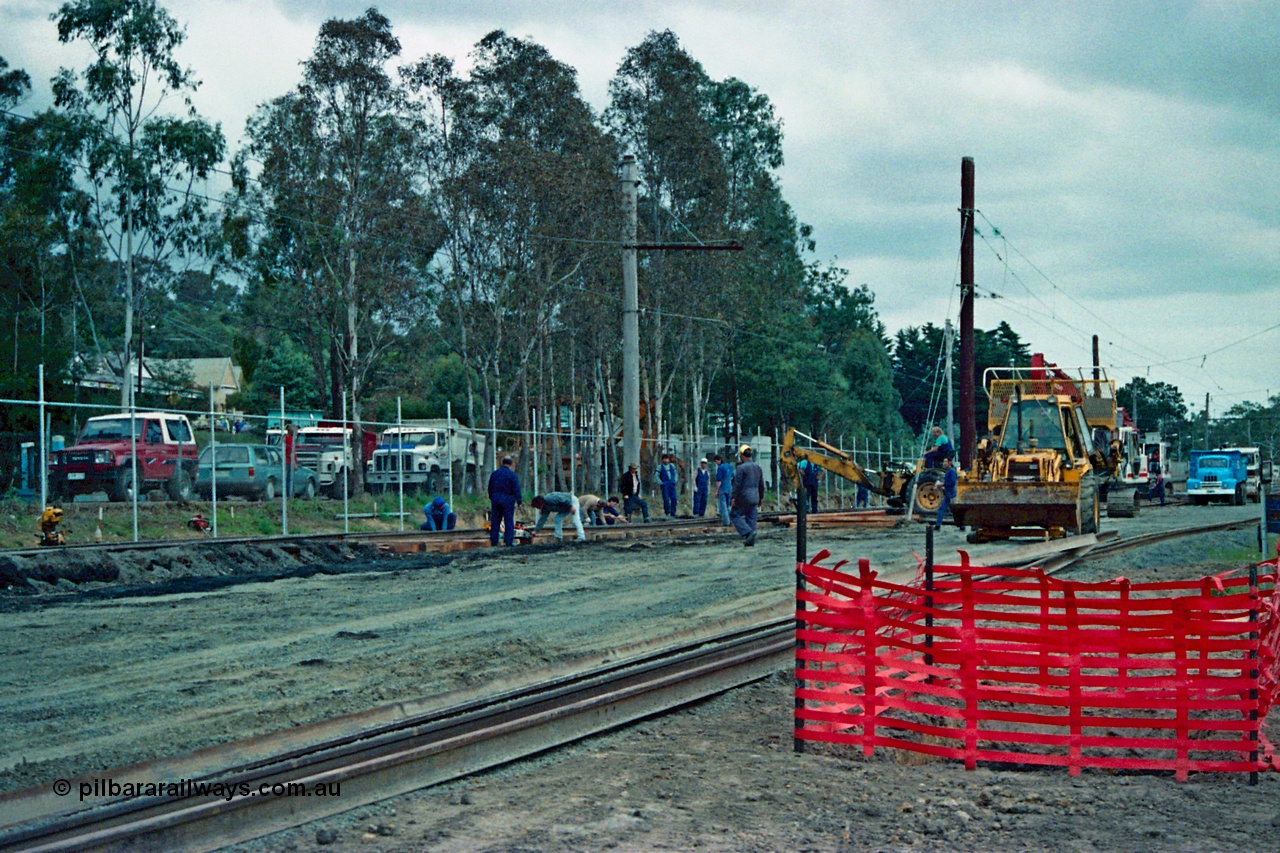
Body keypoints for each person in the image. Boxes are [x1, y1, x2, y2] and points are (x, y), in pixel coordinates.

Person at [730, 444, 764, 546]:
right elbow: (761, 484)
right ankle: (750, 540)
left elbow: (737, 484)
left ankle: (748, 532)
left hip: (744, 497)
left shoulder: (741, 468)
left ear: (741, 455)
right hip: (755, 497)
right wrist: (761, 497)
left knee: (734, 514)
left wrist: (733, 497)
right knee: (751, 517)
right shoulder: (758, 467)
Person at [487, 456, 522, 546]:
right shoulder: (512, 475)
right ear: (511, 464)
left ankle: (494, 541)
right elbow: (516, 488)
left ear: (502, 463)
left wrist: (492, 497)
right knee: (508, 520)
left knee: (495, 521)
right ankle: (508, 541)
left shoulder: (495, 474)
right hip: (508, 499)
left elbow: (490, 487)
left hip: (496, 498)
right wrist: (519, 501)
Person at [935, 457, 958, 530]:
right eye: (944, 461)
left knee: (951, 510)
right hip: (949, 493)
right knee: (946, 509)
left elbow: (953, 482)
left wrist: (942, 484)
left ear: (950, 462)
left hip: (951, 493)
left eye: (945, 461)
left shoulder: (951, 471)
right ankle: (937, 525)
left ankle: (938, 525)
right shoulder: (949, 471)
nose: (944, 463)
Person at [714, 454, 734, 526]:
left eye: (716, 461)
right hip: (729, 487)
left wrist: (716, 491)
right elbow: (732, 477)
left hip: (723, 488)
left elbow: (718, 481)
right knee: (729, 505)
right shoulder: (729, 466)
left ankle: (726, 522)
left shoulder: (720, 468)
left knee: (723, 506)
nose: (716, 463)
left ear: (718, 460)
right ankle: (731, 520)